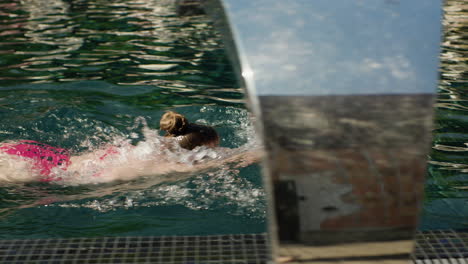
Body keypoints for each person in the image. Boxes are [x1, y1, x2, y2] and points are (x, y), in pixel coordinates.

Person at [0, 111, 261, 184]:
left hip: (35, 152)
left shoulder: (149, 146)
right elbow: (219, 161)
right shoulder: (163, 164)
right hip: (36, 171)